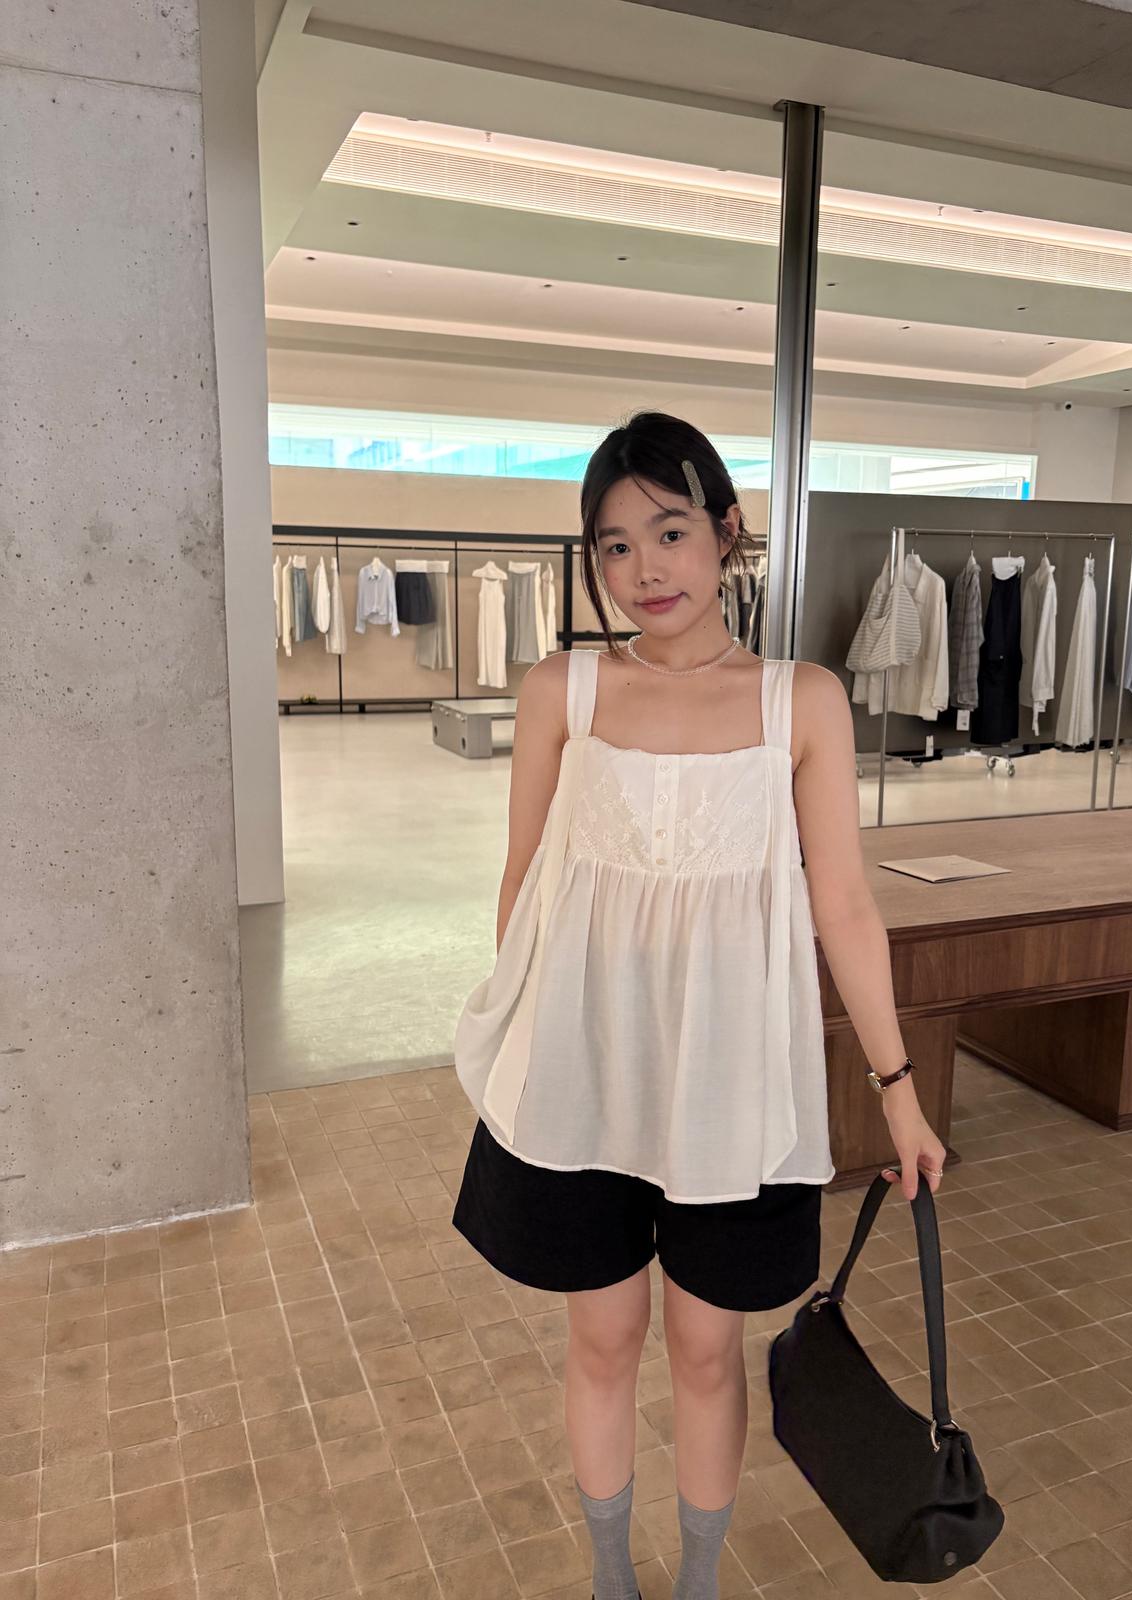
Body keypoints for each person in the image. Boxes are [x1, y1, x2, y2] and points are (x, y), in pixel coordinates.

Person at [451, 410, 946, 1600]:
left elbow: (845, 907)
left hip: (729, 1082)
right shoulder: (562, 689)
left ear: (727, 531)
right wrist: (526, 1042)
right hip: (586, 1071)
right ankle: (610, 1575)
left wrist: (899, 1093)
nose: (644, 569)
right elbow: (522, 880)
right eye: (614, 546)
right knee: (602, 1336)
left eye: (669, 532)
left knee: (709, 1348)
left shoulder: (800, 701)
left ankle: (699, 1582)